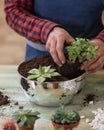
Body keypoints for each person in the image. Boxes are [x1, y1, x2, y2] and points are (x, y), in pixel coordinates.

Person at [4, 0, 104, 73]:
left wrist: (102, 40)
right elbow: (13, 10)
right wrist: (46, 30)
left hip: (94, 58)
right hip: (41, 57)